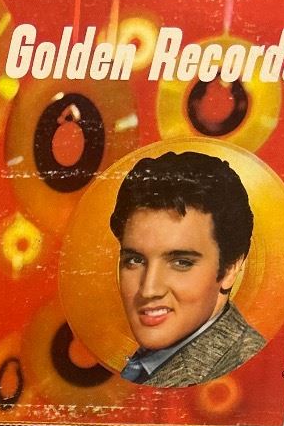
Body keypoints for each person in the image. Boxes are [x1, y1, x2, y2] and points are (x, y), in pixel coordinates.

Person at [110, 151, 264, 387]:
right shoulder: (150, 364)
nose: (149, 290)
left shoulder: (242, 376)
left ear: (230, 268)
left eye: (181, 263)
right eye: (135, 260)